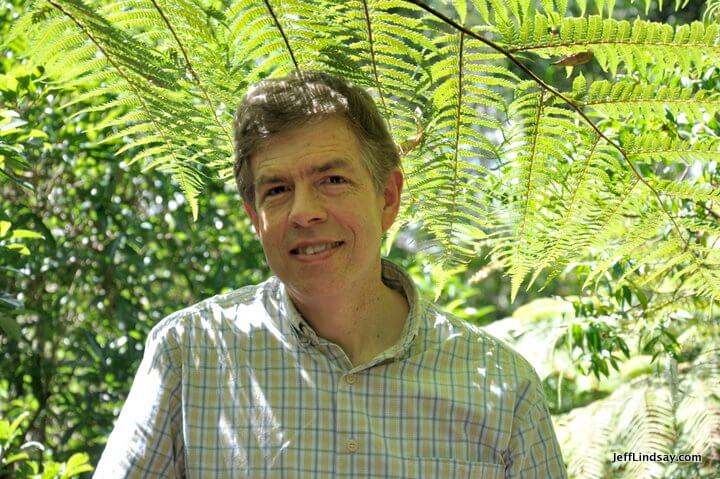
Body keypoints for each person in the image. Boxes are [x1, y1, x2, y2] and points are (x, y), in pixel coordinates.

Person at [94, 70, 567, 478]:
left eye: (333, 180)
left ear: (388, 197)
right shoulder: (191, 356)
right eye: (277, 189)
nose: (304, 212)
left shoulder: (503, 389)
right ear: (253, 215)